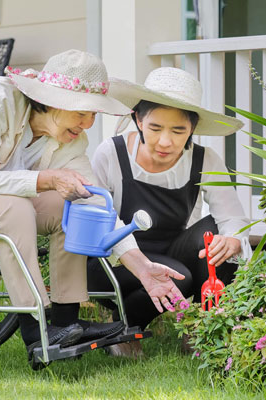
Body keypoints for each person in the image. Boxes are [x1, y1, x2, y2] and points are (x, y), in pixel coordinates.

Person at [0, 50, 186, 364]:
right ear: (51, 100)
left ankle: (65, 321)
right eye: (82, 112)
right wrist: (46, 178)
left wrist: (142, 266)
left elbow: (96, 200)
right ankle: (36, 330)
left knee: (76, 206)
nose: (88, 123)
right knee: (17, 206)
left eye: (94, 115)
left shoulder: (71, 140)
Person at [88, 67, 252, 355]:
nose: (166, 141)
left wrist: (233, 240)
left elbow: (232, 217)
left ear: (193, 128)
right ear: (138, 119)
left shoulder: (205, 159)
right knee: (180, 276)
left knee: (216, 235)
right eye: (155, 128)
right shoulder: (111, 153)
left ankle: (205, 329)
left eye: (178, 131)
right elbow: (97, 220)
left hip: (172, 251)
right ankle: (125, 328)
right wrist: (136, 260)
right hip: (113, 262)